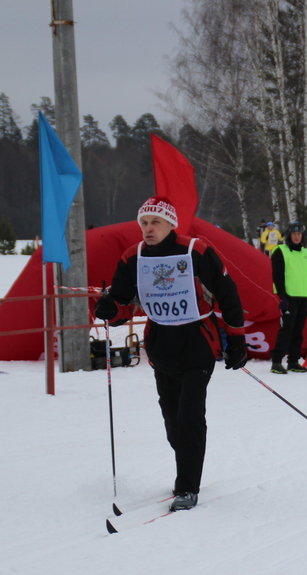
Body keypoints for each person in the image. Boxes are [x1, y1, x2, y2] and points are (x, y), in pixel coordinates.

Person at [93, 196, 248, 512]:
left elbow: (227, 293)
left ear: (171, 224)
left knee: (190, 416)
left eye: (155, 223)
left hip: (198, 344)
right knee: (173, 421)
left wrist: (237, 339)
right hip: (161, 346)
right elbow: (122, 301)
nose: (148, 229)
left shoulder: (196, 251)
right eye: (144, 223)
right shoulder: (133, 256)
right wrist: (109, 308)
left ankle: (187, 485)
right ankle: (186, 461)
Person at [270, 222, 307, 374]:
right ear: (289, 235)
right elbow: (277, 277)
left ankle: (293, 361)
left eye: (299, 234)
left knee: (298, 331)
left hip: (303, 296)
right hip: (289, 297)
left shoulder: (305, 252)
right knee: (286, 330)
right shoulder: (280, 251)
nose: (297, 236)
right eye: (294, 234)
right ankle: (276, 362)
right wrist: (283, 297)